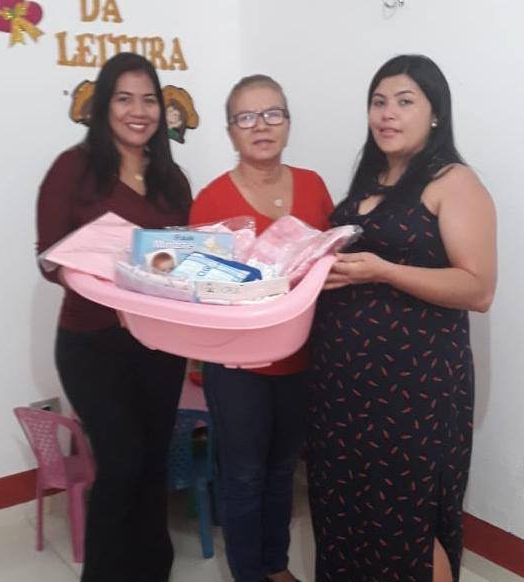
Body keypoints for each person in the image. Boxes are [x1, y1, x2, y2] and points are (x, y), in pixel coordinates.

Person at [306, 55, 497, 582]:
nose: (387, 114)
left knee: (407, 520)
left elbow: (479, 288)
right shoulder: (370, 180)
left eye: (405, 102)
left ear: (435, 114)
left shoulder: (453, 181)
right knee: (345, 510)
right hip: (343, 390)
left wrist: (385, 271)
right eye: (379, 101)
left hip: (412, 391)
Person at [36, 52, 192, 582]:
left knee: (153, 463)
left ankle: (153, 570)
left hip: (160, 345)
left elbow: (182, 259)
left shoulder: (173, 180)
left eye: (149, 99)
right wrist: (109, 281)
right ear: (103, 105)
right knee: (122, 463)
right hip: (92, 344)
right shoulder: (73, 169)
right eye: (124, 98)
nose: (138, 111)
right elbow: (49, 258)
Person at [190, 74, 334, 582]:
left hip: (301, 357)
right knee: (244, 475)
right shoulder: (211, 201)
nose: (261, 126)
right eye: (246, 117)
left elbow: (329, 264)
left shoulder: (314, 186)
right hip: (237, 364)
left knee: (281, 468)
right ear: (231, 131)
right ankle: (248, 573)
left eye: (273, 113)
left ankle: (275, 566)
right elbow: (198, 291)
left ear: (288, 123)